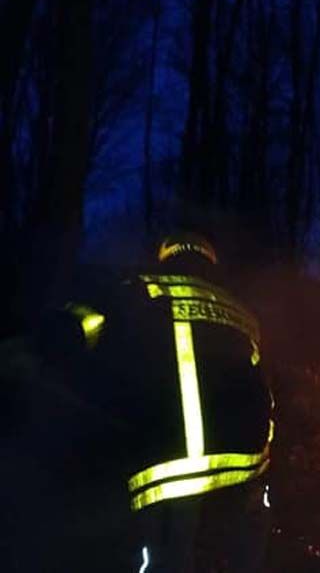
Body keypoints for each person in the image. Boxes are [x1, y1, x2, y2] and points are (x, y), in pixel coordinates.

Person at [31, 232, 274, 572]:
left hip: (172, 467)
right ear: (209, 261)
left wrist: (37, 343)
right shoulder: (239, 310)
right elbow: (261, 384)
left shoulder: (141, 290)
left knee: (168, 559)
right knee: (237, 554)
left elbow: (78, 325)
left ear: (166, 257)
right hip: (245, 464)